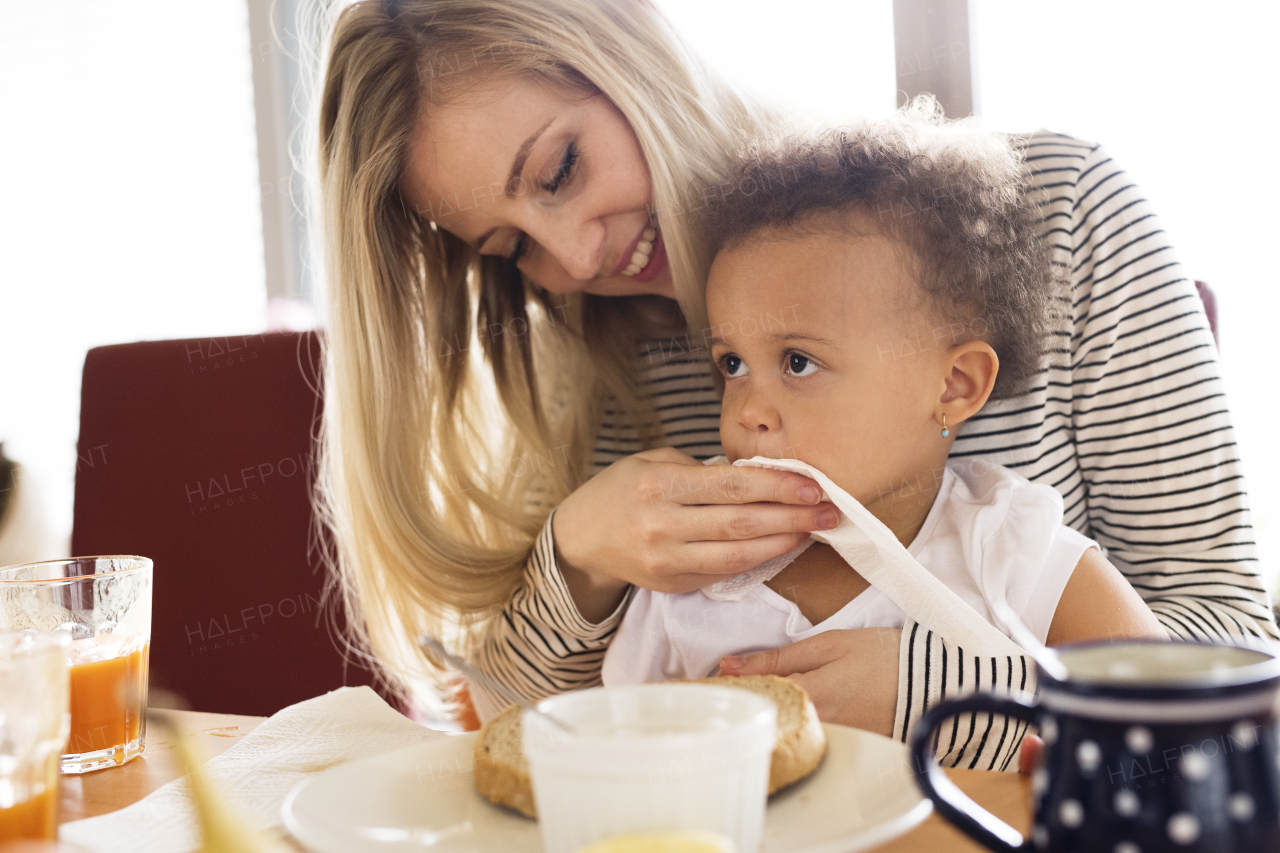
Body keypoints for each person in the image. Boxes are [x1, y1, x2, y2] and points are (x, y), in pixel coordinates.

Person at [313, 0, 1276, 767]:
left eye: (562, 168)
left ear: (626, 47)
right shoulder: (586, 358)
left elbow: (1236, 665)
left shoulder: (1055, 213)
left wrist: (944, 692)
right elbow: (532, 740)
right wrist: (581, 557)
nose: (575, 253)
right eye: (511, 245)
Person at [600, 111, 1168, 764]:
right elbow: (615, 756)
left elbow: (1168, 726)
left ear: (954, 384)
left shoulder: (1011, 550)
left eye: (798, 362)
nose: (749, 409)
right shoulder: (690, 567)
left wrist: (952, 691)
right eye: (732, 363)